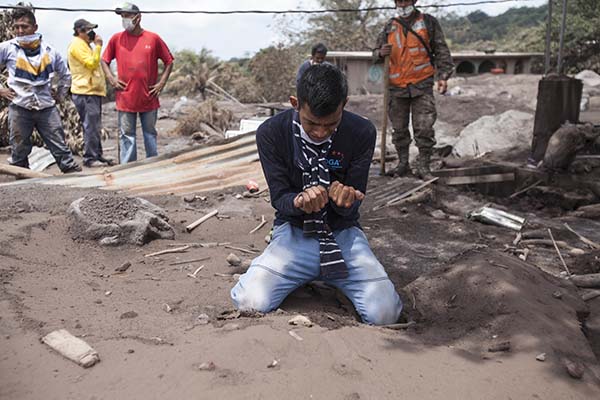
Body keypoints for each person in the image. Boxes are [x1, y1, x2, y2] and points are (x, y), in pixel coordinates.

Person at [231, 64, 402, 326]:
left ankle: (317, 274)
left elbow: (352, 207)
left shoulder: (361, 132)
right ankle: (305, 272)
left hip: (342, 235)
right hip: (295, 232)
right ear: (295, 103)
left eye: (331, 124)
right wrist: (299, 202)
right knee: (249, 302)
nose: (320, 132)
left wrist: (345, 201)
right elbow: (280, 199)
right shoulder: (271, 133)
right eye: (311, 123)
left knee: (385, 314)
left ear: (344, 104)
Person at [374, 0, 454, 178]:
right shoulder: (389, 26)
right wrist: (380, 53)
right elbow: (375, 54)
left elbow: (441, 50)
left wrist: (443, 76)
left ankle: (424, 167)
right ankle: (403, 165)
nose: (402, 4)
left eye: (406, 0)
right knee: (399, 129)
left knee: (424, 128)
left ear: (414, 1)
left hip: (421, 85)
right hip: (396, 88)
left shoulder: (428, 22)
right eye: (399, 0)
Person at [0, 7, 81, 173]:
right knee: (19, 147)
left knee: (58, 143)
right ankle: (22, 178)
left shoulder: (49, 51)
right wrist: (1, 90)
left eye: (24, 26)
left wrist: (59, 94)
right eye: (16, 27)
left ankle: (72, 173)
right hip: (20, 106)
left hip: (46, 107)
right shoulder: (7, 48)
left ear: (35, 27)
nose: (20, 31)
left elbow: (65, 75)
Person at [101, 2, 174, 164]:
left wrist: (161, 84)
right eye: (122, 17)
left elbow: (169, 61)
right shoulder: (116, 39)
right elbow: (104, 60)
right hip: (125, 97)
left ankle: (153, 165)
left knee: (149, 133)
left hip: (148, 96)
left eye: (127, 16)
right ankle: (128, 168)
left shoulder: (153, 39)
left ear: (138, 18)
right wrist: (111, 79)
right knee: (127, 135)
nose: (124, 19)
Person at [68, 18, 112, 168]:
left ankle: (97, 155)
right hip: (85, 92)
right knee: (91, 126)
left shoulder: (85, 45)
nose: (92, 34)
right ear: (80, 31)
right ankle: (90, 158)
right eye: (89, 30)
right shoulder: (77, 45)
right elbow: (92, 63)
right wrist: (99, 46)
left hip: (92, 91)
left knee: (95, 125)